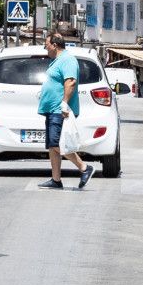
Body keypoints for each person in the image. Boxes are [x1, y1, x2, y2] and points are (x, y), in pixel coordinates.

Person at [38, 30, 92, 191]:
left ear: (55, 45)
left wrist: (64, 103)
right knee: (51, 146)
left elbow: (71, 82)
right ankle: (56, 180)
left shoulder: (67, 59)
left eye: (46, 45)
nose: (45, 48)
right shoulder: (57, 60)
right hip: (51, 109)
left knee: (57, 143)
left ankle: (84, 168)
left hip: (59, 110)